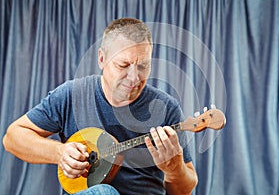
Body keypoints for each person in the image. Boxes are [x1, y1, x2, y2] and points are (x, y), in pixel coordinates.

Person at [3, 18, 198, 195]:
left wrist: (174, 169)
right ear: (102, 59)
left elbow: (184, 190)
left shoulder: (166, 107)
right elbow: (13, 138)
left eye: (142, 66)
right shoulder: (72, 95)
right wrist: (59, 152)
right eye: (123, 65)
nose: (133, 77)